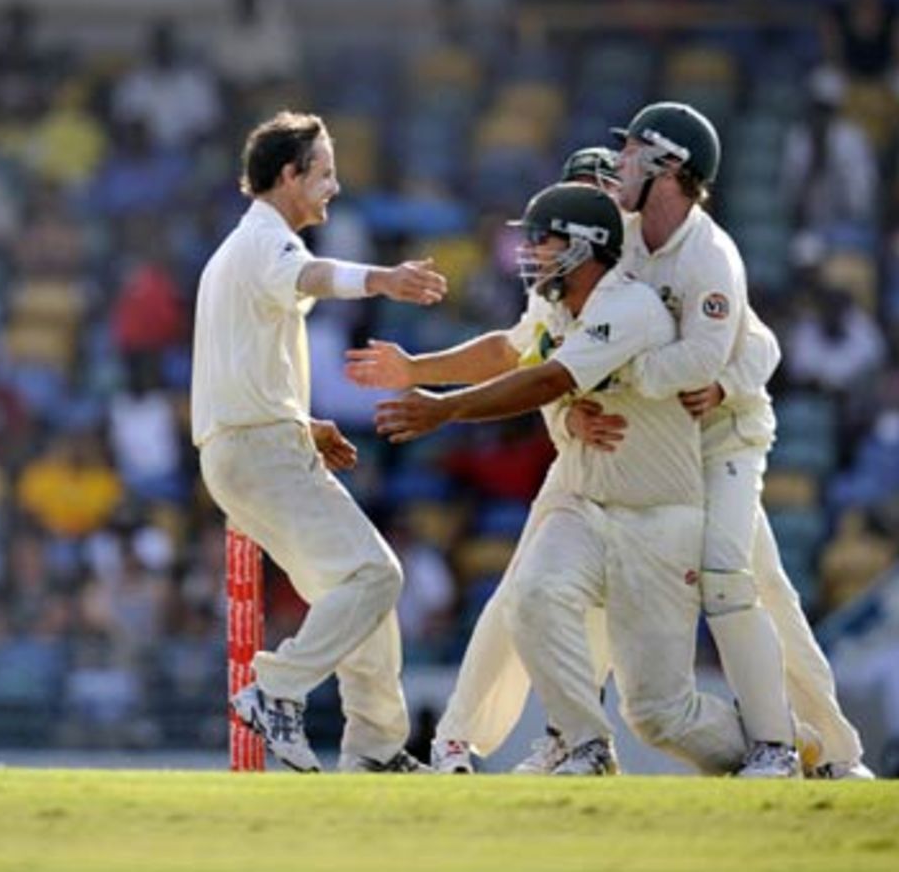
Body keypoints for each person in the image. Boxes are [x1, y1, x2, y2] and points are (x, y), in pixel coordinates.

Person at [362, 182, 751, 776]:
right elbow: (513, 355)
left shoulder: (630, 307)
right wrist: (420, 369)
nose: (531, 250)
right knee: (531, 594)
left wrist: (446, 407)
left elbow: (546, 380)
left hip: (658, 516)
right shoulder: (559, 307)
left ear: (586, 244)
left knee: (659, 714)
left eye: (543, 239)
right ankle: (585, 744)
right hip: (587, 500)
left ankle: (777, 747)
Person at [577, 102, 871, 778]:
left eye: (632, 153)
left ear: (670, 167)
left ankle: (775, 746)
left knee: (732, 582)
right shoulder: (624, 238)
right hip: (674, 448)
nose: (618, 163)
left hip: (729, 441)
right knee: (766, 591)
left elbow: (715, 360)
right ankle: (837, 752)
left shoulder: (711, 256)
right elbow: (755, 341)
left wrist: (631, 373)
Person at [192, 110, 447, 772]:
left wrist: (301, 423)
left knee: (354, 594)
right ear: (289, 176)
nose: (335, 187)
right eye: (325, 173)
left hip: (251, 446)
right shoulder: (264, 242)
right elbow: (313, 278)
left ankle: (375, 748)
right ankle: (275, 690)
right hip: (258, 450)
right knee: (375, 575)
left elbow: (239, 368)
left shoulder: (239, 253)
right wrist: (385, 279)